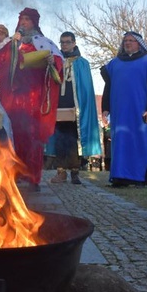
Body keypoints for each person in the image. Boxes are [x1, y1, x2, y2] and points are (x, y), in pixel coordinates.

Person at [0, 8, 63, 192]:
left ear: (34, 23)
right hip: (12, 99)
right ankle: (12, 175)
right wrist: (11, 45)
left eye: (27, 20)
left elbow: (58, 62)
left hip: (33, 98)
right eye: (21, 19)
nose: (23, 23)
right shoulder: (10, 42)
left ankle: (33, 178)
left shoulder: (43, 42)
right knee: (11, 136)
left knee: (32, 137)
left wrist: (51, 61)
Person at [100, 31, 147, 187]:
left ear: (139, 44)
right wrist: (105, 108)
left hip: (140, 112)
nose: (127, 43)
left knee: (139, 142)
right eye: (125, 41)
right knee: (120, 142)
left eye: (131, 40)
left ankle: (140, 177)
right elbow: (108, 87)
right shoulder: (114, 64)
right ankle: (119, 177)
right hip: (119, 113)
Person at [47, 32, 101, 185]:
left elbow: (85, 88)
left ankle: (75, 172)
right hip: (59, 105)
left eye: (68, 42)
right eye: (62, 42)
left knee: (73, 140)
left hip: (76, 107)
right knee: (59, 139)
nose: (65, 45)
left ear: (74, 43)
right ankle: (61, 172)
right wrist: (51, 65)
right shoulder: (56, 60)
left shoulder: (82, 63)